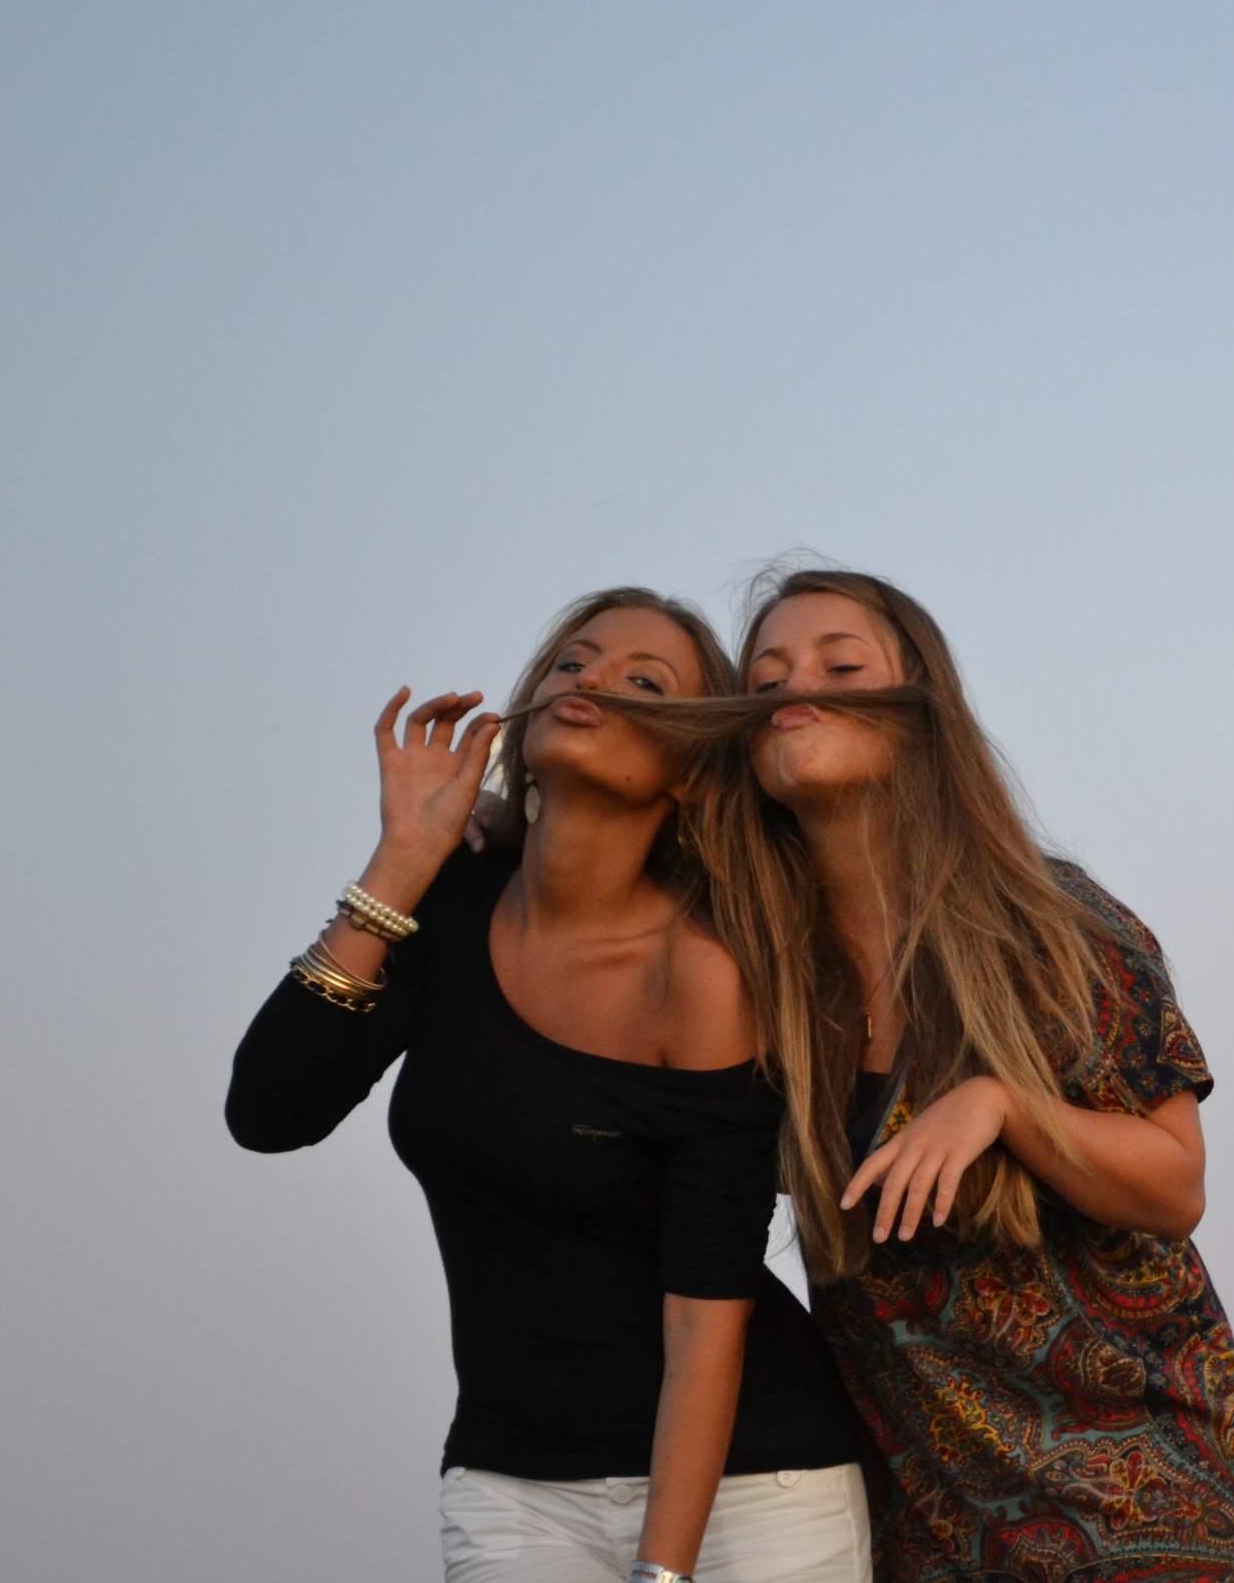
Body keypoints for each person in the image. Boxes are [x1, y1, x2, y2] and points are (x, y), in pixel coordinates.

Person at [224, 588, 874, 1583]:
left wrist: (661, 1574)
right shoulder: (449, 902)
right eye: (573, 661)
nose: (593, 681)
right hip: (510, 1482)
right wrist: (402, 861)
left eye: (644, 683)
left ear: (692, 771)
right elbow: (270, 1113)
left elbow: (705, 1318)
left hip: (751, 1485)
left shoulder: (701, 975)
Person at [721, 566, 1234, 1583]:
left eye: (840, 667)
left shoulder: (1048, 919)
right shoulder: (755, 969)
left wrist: (1005, 1105)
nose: (795, 688)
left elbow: (1175, 1185)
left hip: (1142, 1504)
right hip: (932, 1517)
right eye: (765, 679)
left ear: (920, 713)